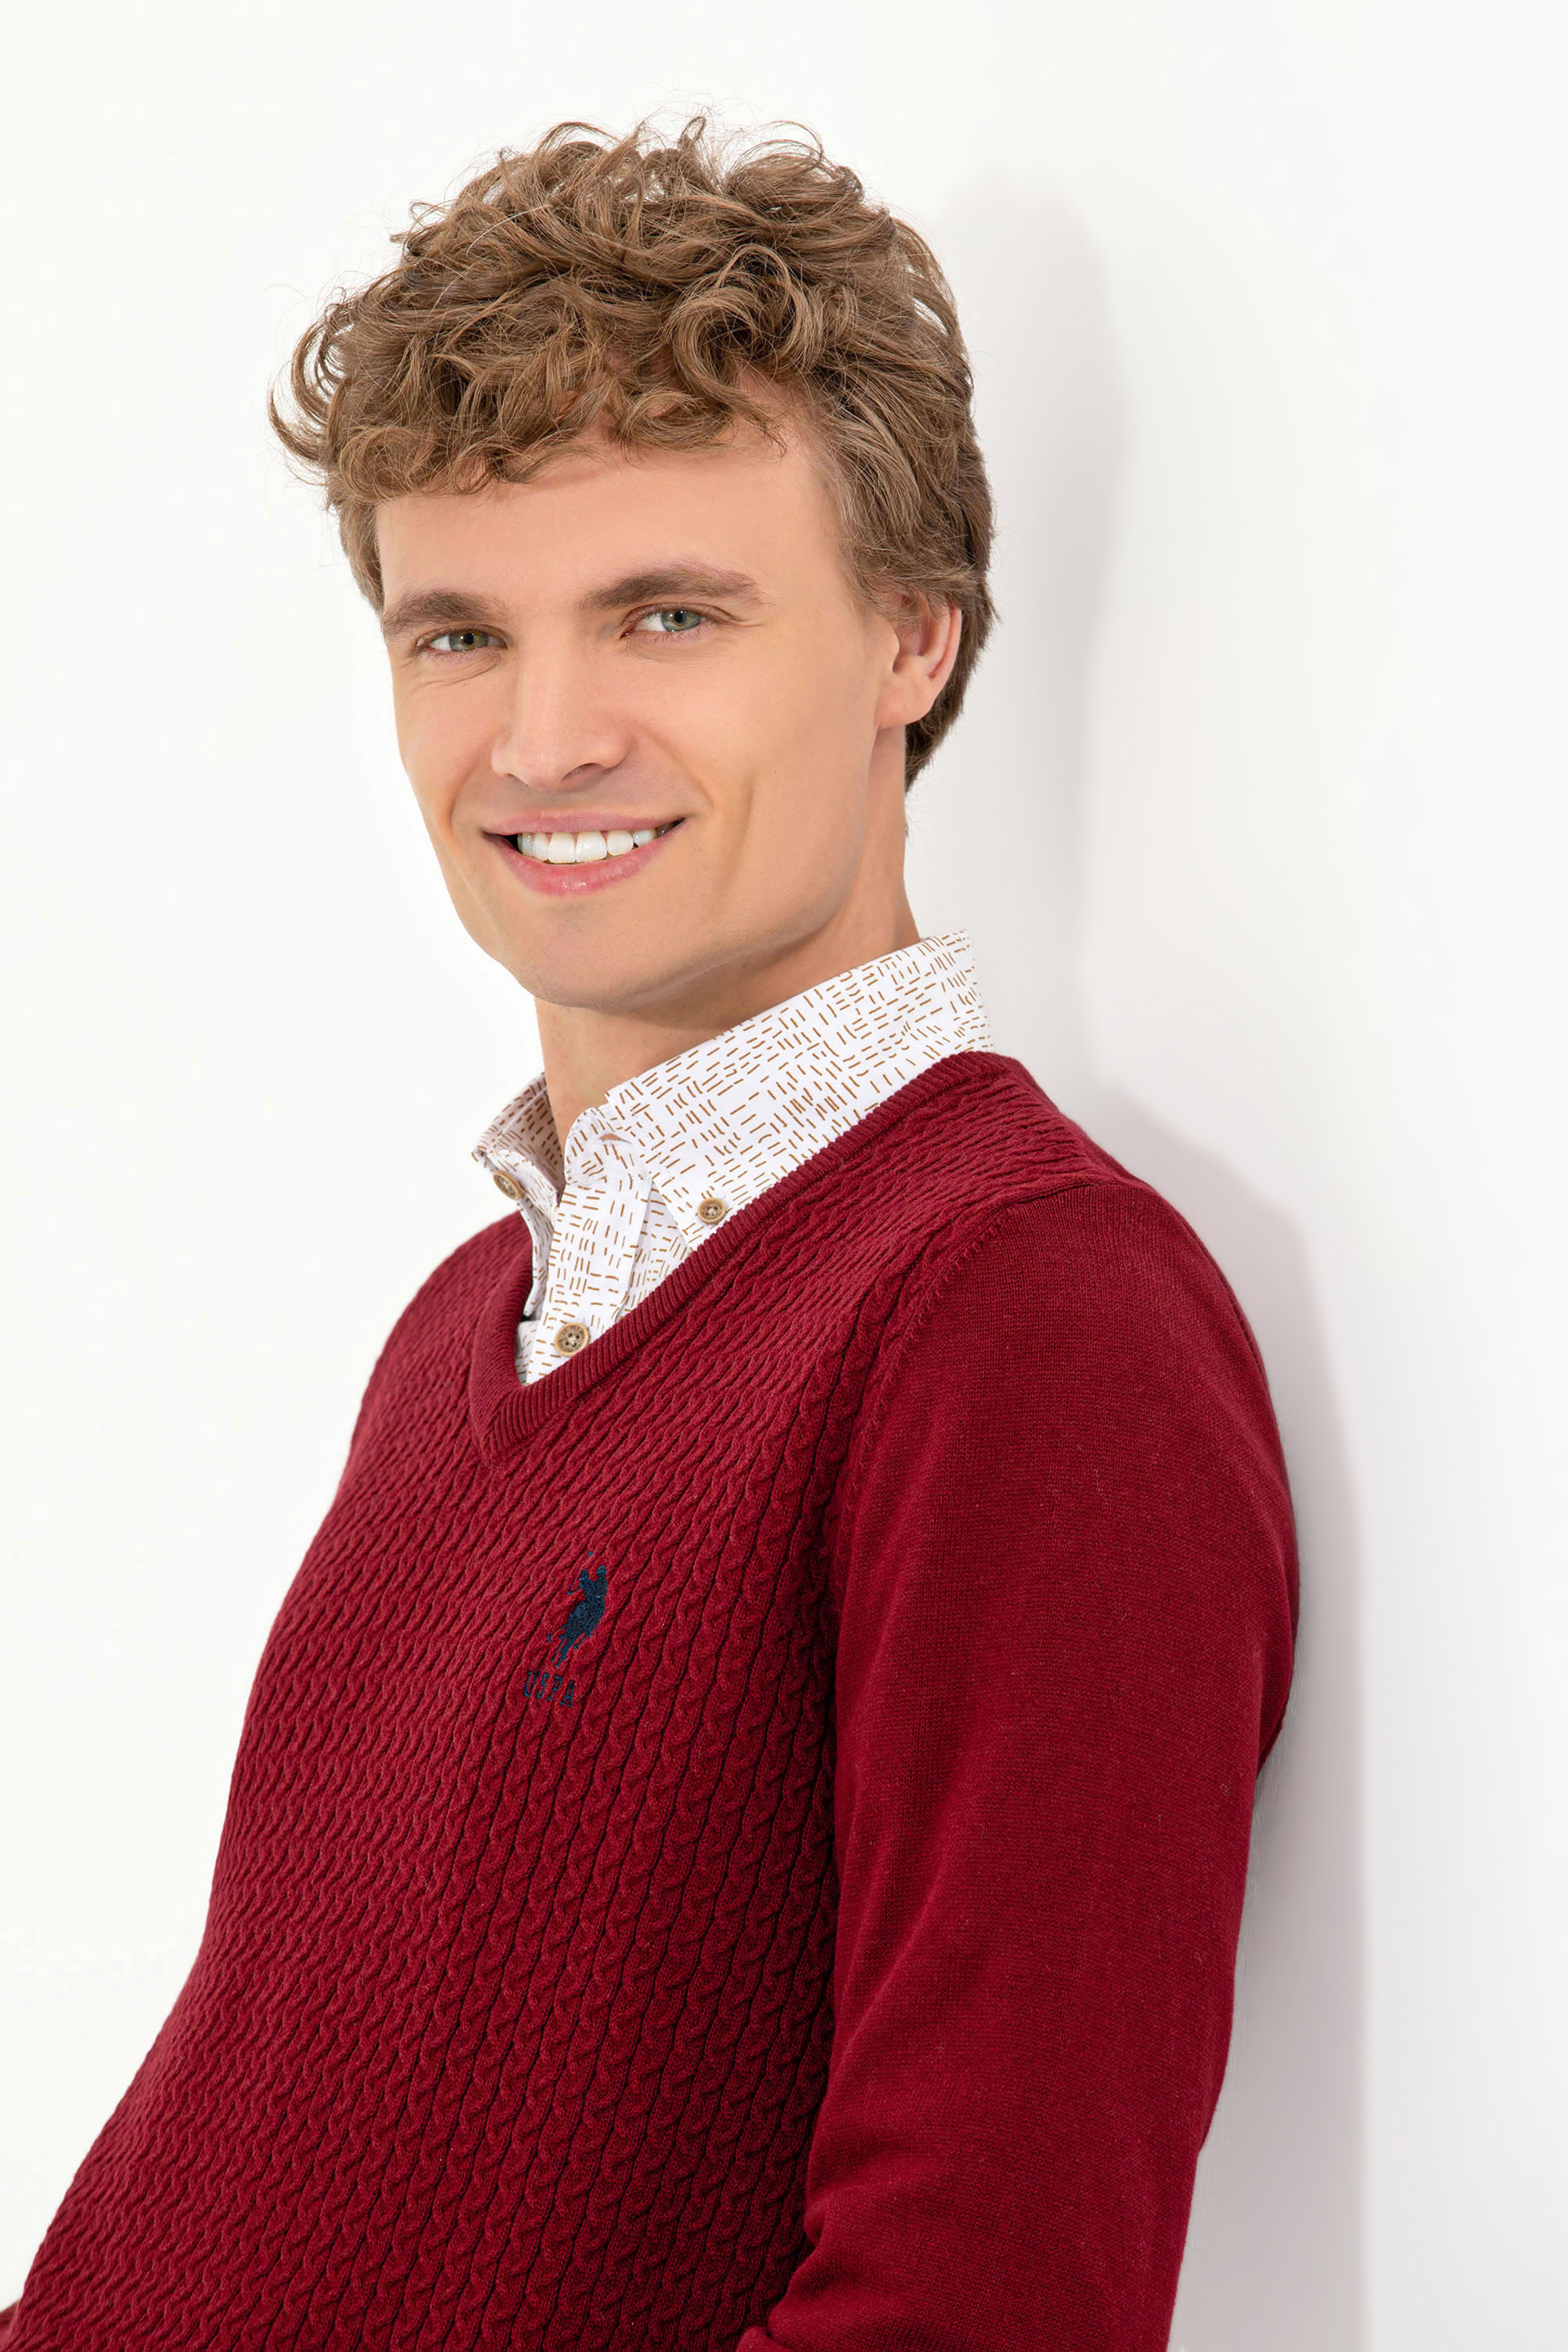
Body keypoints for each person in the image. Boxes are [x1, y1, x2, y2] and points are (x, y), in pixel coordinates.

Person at [0, 119, 1296, 2352]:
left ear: (911, 637)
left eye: (667, 616)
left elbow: (989, 2294)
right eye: (460, 633)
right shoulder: (472, 1322)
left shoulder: (1023, 1314)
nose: (542, 740)